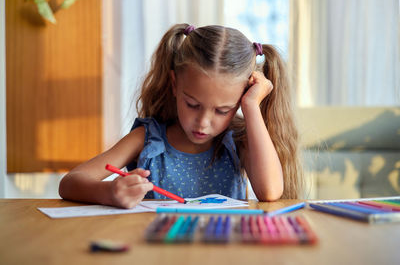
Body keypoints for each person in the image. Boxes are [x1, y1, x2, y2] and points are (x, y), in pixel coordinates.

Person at [59, 23, 303, 209]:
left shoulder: (238, 139)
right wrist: (110, 192)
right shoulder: (148, 139)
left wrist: (251, 106)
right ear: (175, 84)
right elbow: (70, 182)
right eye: (192, 104)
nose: (203, 122)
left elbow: (270, 192)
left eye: (222, 110)